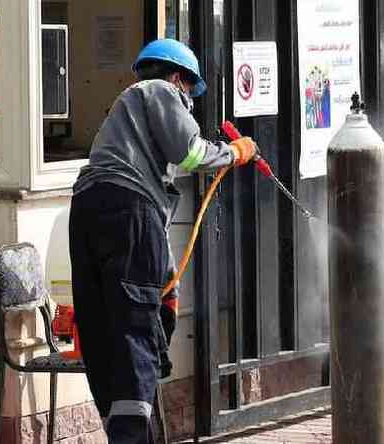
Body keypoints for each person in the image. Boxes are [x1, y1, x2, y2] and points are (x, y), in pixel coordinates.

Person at [69, 39, 256, 443]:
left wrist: (163, 278)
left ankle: (124, 432)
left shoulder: (123, 121)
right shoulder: (161, 90)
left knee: (103, 326)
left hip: (85, 210)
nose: (188, 101)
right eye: (190, 92)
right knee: (136, 326)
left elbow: (147, 226)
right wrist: (234, 152)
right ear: (178, 78)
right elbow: (189, 153)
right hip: (127, 207)